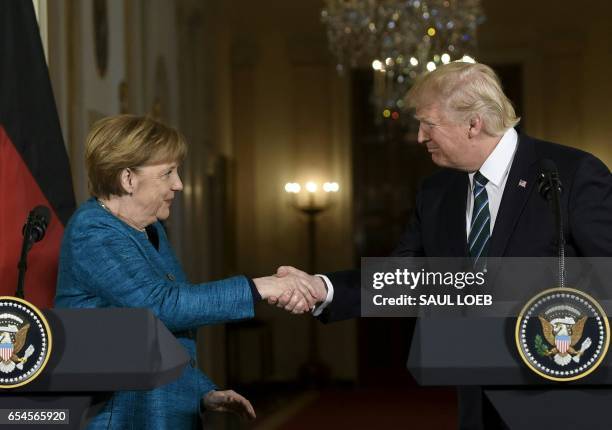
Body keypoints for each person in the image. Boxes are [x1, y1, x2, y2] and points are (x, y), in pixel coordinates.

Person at [269, 62, 612, 428]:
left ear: (473, 124)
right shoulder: (436, 192)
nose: (419, 137)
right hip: (479, 402)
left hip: (566, 396)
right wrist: (324, 288)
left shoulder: (571, 173)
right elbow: (405, 277)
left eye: (428, 124)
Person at [54, 114, 319, 429]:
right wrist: (260, 287)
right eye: (167, 173)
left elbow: (159, 335)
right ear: (127, 179)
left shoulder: (150, 229)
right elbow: (163, 307)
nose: (179, 184)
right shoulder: (92, 231)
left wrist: (203, 392)